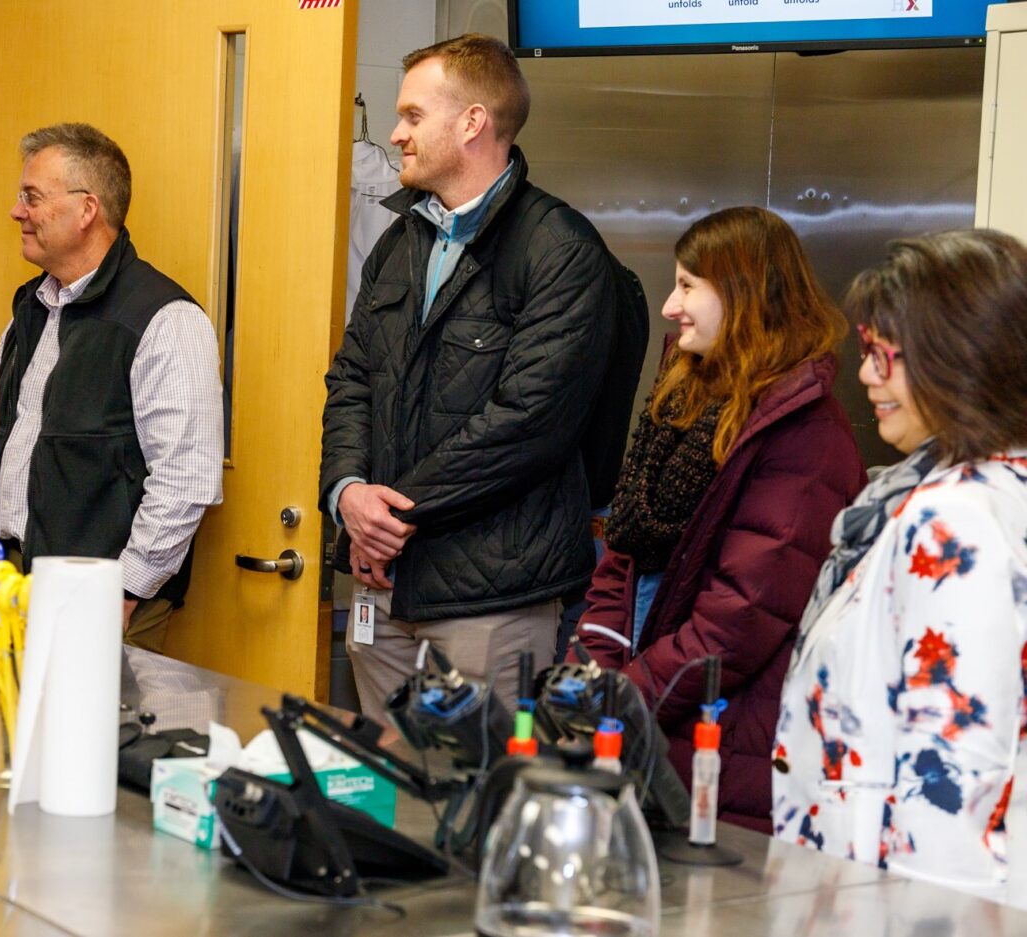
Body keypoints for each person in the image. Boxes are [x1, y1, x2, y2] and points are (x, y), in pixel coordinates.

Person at [321, 34, 632, 718]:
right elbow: (351, 380)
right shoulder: (401, 242)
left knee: (483, 804)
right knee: (391, 799)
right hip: (384, 584)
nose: (395, 135)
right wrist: (347, 494)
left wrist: (389, 513)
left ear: (471, 123)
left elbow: (529, 423)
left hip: (492, 599)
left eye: (411, 116)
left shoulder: (559, 250)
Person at [573, 207, 864, 832]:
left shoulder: (804, 433)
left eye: (687, 286)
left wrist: (620, 700)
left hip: (726, 738)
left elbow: (739, 618)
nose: (670, 308)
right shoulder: (680, 398)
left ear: (743, 295)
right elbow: (623, 554)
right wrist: (597, 673)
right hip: (644, 720)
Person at [773, 230, 1027, 905]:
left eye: (886, 356)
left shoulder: (955, 518)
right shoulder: (1003, 489)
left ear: (961, 360)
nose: (865, 377)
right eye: (866, 353)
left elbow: (948, 780)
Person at [0, 123, 223, 653]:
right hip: (18, 583)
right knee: (21, 733)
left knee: (102, 737)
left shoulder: (165, 320)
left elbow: (186, 478)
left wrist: (126, 590)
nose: (16, 211)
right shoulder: (29, 310)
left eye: (32, 197)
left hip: (107, 597)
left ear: (86, 209)